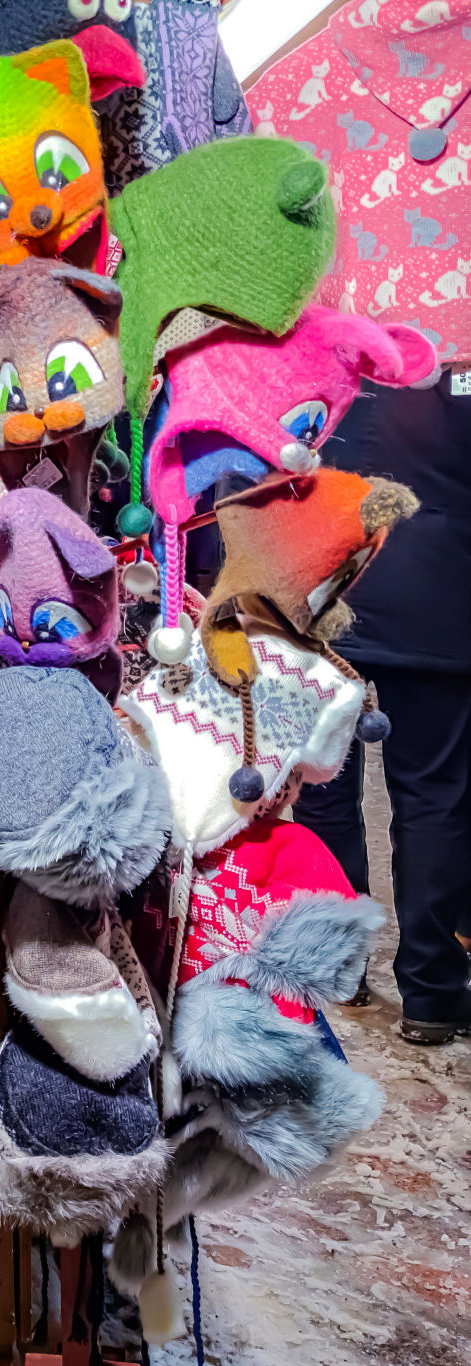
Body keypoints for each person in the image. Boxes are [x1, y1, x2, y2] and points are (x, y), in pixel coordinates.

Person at [298, 369, 471, 1044]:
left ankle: (339, 969)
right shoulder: (455, 351)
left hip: (321, 582)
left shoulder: (325, 351)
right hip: (437, 590)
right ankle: (431, 992)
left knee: (323, 788)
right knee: (432, 795)